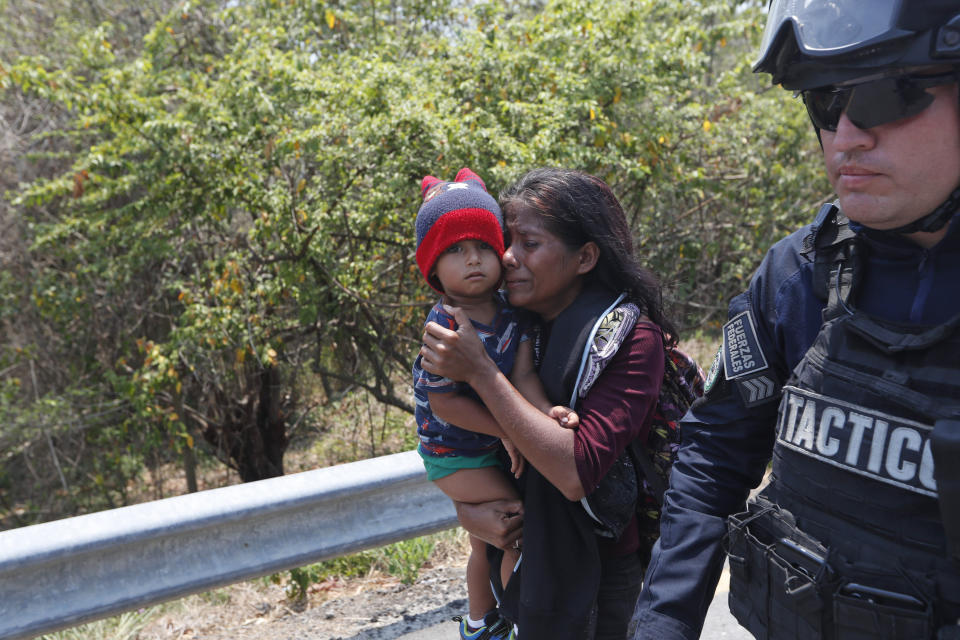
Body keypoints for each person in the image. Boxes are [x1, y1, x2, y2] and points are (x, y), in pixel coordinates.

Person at [630, 2, 960, 639]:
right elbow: (717, 453)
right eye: (824, 103)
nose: (845, 137)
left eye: (885, 96)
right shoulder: (795, 275)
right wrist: (661, 624)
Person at [419, 168, 680, 640]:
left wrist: (480, 370)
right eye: (507, 241)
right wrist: (471, 513)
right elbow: (454, 427)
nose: (508, 257)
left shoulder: (630, 340)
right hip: (524, 557)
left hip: (597, 581)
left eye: (530, 245)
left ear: (585, 257)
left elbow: (573, 473)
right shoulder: (507, 318)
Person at [412, 167, 577, 640]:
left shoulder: (511, 312)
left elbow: (523, 376)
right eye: (456, 251)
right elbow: (445, 406)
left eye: (484, 246)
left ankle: (481, 622)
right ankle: (521, 623)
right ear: (431, 269)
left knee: (485, 542)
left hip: (488, 441)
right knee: (513, 522)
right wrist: (508, 431)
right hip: (453, 451)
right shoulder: (445, 326)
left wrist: (545, 414)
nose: (473, 260)